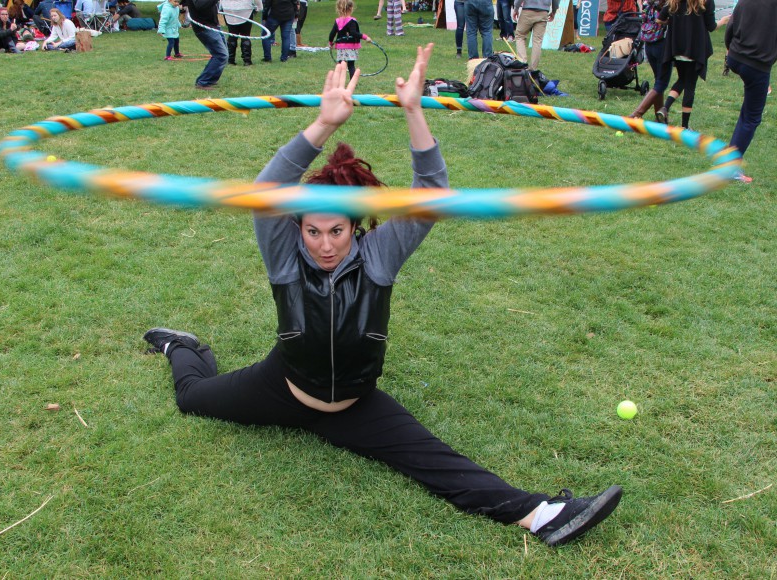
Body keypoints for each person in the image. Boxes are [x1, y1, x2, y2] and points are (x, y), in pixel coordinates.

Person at [143, 43, 624, 548]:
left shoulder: (379, 257)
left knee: (436, 461)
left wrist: (414, 110)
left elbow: (431, 190)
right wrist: (324, 125)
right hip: (282, 387)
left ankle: (544, 515)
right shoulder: (284, 257)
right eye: (312, 232)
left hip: (355, 402)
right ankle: (184, 348)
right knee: (192, 398)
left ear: (357, 226)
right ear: (298, 228)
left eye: (336, 231)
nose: (324, 245)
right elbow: (266, 191)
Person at [724, 0, 777, 184]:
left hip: (736, 57)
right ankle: (731, 167)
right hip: (756, 64)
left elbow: (731, 23)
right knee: (752, 117)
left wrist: (729, 49)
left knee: (748, 111)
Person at [655, 0, 729, 129]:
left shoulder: (673, 1)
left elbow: (659, 19)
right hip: (695, 50)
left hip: (677, 48)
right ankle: (684, 126)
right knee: (690, 85)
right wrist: (723, 21)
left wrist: (673, 23)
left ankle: (665, 107)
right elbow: (711, 26)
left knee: (682, 79)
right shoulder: (705, 2)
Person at [629, 0, 672, 119]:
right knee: (661, 83)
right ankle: (636, 114)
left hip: (649, 44)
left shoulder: (648, 4)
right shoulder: (666, 5)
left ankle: (660, 116)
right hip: (662, 45)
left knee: (658, 80)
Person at [183, 0, 228, 88]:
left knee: (222, 54)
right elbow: (201, 6)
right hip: (204, 27)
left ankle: (210, 79)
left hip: (213, 25)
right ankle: (203, 82)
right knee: (221, 55)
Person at [512, 0, 560, 72]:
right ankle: (533, 69)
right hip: (544, 11)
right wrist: (554, 11)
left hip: (527, 10)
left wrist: (516, 8)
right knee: (537, 41)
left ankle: (522, 62)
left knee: (520, 36)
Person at [328, 0, 369, 80]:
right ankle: (352, 82)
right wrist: (365, 37)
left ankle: (337, 81)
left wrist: (331, 43)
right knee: (351, 65)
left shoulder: (337, 21)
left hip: (340, 47)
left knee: (340, 64)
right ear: (351, 8)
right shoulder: (352, 21)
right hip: (351, 47)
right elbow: (354, 33)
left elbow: (332, 34)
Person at [220, 0, 262, 65]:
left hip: (228, 9)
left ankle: (230, 60)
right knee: (245, 35)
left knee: (232, 35)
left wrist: (220, 7)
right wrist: (259, 7)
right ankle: (247, 60)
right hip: (245, 8)